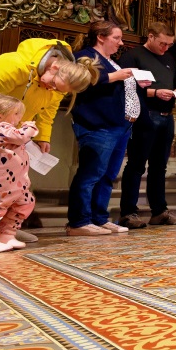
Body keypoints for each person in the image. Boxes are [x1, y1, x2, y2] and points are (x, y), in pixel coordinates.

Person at [0, 37, 99, 243]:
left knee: (12, 186)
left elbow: (48, 111)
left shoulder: (57, 85)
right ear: (54, 66)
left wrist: (42, 137)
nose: (51, 90)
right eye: (53, 84)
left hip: (12, 136)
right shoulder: (14, 65)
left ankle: (6, 230)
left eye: (58, 90)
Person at [69, 21, 147, 236]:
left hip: (119, 125)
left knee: (108, 175)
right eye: (117, 38)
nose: (120, 43)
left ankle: (99, 218)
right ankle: (78, 222)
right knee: (90, 174)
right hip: (98, 125)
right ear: (101, 37)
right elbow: (80, 82)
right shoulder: (84, 56)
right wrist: (116, 77)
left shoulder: (112, 61)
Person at [118, 22, 176, 229]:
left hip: (166, 116)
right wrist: (155, 93)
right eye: (162, 43)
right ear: (150, 36)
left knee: (159, 167)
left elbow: (171, 83)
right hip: (144, 115)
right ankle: (128, 213)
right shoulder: (133, 56)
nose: (166, 48)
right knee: (136, 165)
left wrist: (174, 92)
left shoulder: (168, 59)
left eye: (169, 44)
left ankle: (159, 212)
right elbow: (125, 87)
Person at [0, 94, 39, 252]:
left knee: (25, 202)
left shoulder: (6, 129)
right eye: (16, 114)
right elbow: (20, 137)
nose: (20, 118)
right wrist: (30, 128)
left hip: (16, 182)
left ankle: (7, 234)